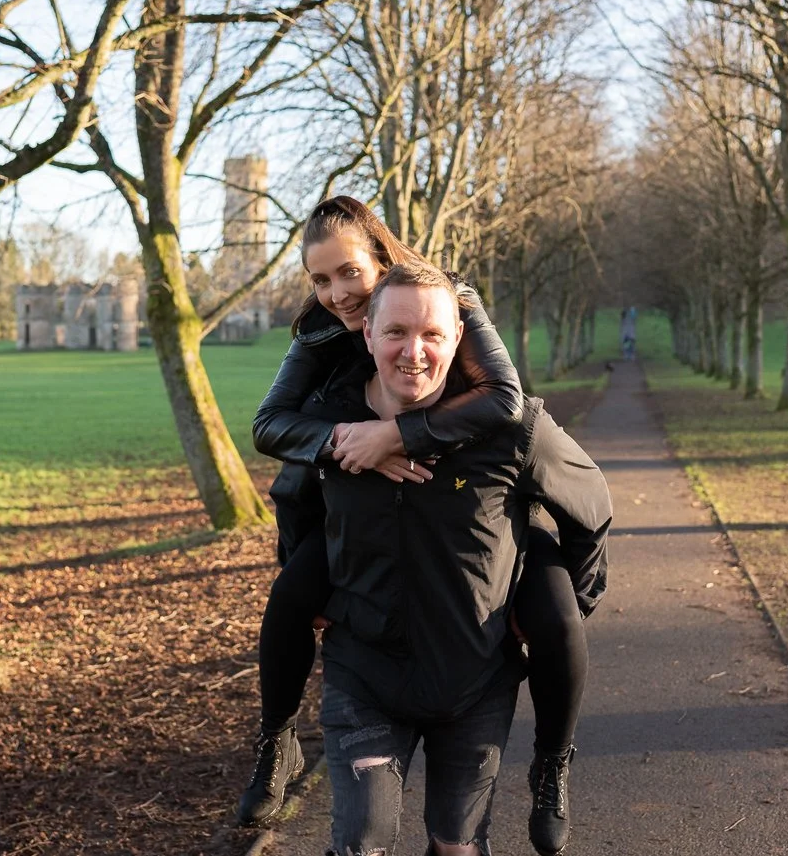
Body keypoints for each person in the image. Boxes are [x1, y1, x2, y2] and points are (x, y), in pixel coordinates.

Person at [243, 197, 592, 856]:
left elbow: (504, 399)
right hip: (349, 488)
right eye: (320, 279)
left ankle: (553, 763)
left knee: (557, 613)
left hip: (471, 492)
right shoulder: (318, 330)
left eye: (349, 271)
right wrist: (349, 439)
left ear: (383, 255)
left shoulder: (453, 301)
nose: (337, 293)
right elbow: (270, 426)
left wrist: (401, 435)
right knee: (291, 593)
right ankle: (277, 741)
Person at [309, 261, 611, 856]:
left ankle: (552, 765)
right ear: (367, 333)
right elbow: (294, 507)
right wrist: (312, 588)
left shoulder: (514, 428)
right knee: (362, 842)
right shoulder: (330, 422)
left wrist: (564, 606)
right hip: (365, 675)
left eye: (432, 334)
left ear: (458, 338)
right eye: (395, 332)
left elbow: (591, 506)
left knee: (459, 846)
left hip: (475, 680)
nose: (413, 352)